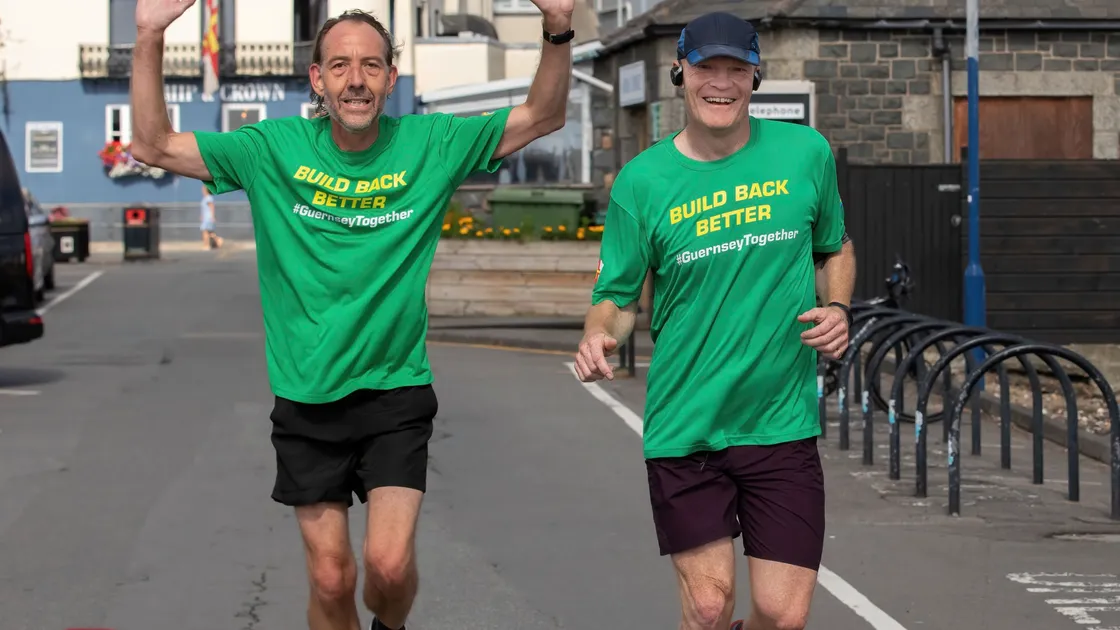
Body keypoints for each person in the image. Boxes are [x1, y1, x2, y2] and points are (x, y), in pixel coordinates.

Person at [128, 1, 575, 629]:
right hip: (306, 396)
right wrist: (149, 33)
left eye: (371, 66)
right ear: (318, 80)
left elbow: (543, 114)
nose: (356, 79)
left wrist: (558, 24)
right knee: (331, 577)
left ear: (392, 78)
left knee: (387, 568)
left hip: (395, 391)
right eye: (339, 65)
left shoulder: (433, 143)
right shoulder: (270, 150)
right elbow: (151, 143)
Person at [575, 11, 856, 630]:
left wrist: (837, 307)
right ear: (681, 72)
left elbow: (834, 246)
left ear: (756, 76)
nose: (721, 82)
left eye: (737, 68)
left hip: (779, 426)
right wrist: (599, 335)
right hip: (687, 428)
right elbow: (618, 296)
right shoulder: (643, 182)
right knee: (707, 608)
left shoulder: (805, 153)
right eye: (707, 67)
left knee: (782, 616)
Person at [200, 183, 223, 249]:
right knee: (210, 232)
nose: (202, 190)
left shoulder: (209, 198)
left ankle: (206, 245)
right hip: (205, 217)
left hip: (208, 217)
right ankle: (218, 240)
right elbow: (204, 208)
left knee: (205, 231)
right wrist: (202, 215)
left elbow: (212, 207)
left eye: (203, 189)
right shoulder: (205, 198)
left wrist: (212, 216)